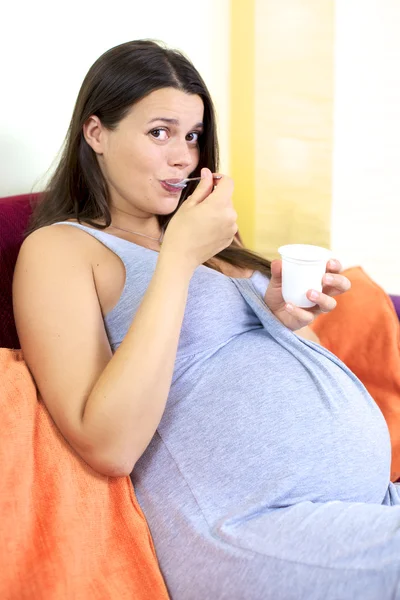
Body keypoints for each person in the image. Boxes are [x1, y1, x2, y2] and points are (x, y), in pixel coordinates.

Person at [12, 40, 400, 600]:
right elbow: (106, 444)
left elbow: (232, 361)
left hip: (362, 504)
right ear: (96, 134)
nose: (183, 157)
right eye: (159, 132)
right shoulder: (63, 249)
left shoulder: (201, 238)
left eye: (193, 136)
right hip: (251, 529)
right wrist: (177, 260)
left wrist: (282, 315)